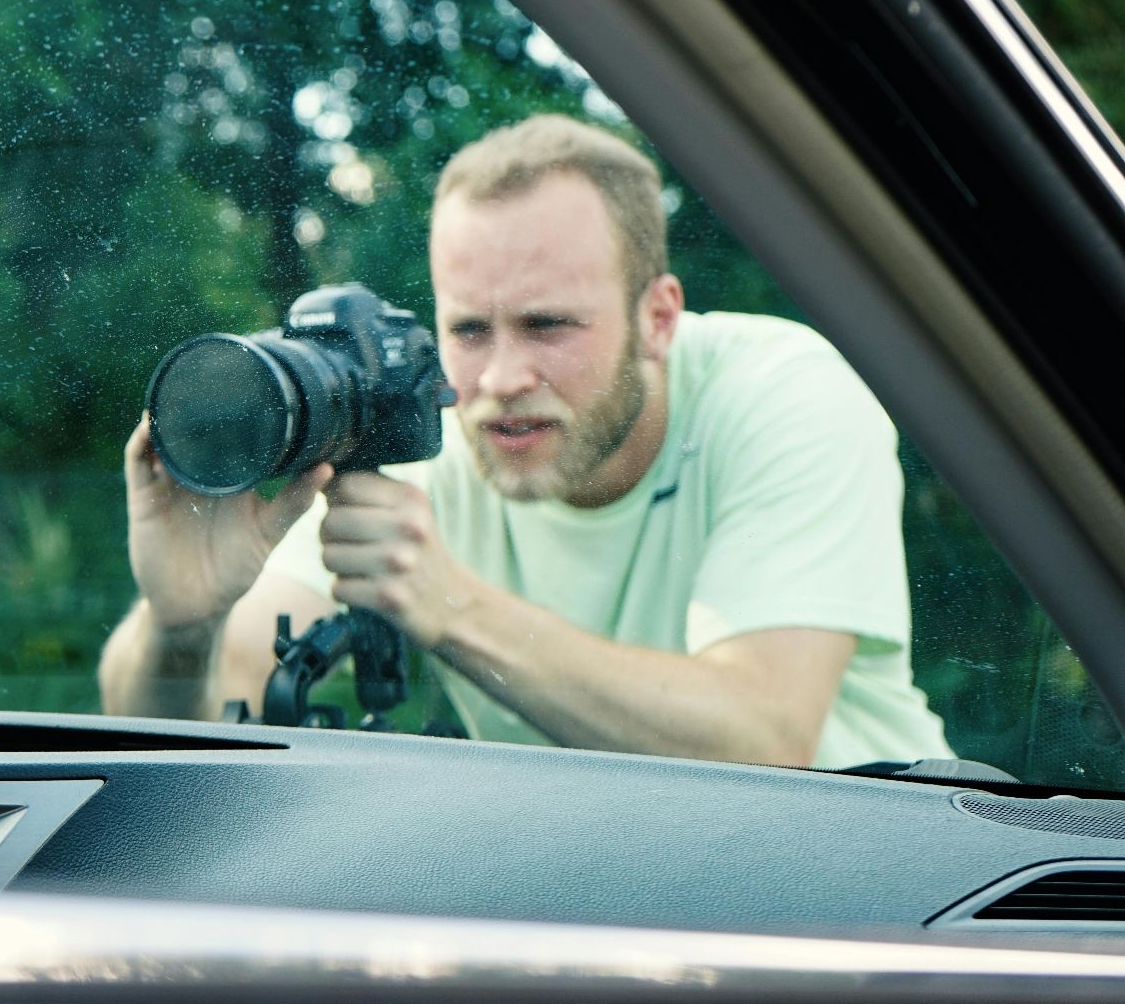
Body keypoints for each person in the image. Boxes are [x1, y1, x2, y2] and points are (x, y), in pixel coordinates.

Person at [98, 114, 952, 770]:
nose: (501, 377)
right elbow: (196, 714)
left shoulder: (781, 391)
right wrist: (184, 625)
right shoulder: (429, 442)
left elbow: (765, 737)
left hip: (884, 895)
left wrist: (451, 606)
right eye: (469, 330)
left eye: (547, 326)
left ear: (658, 319)